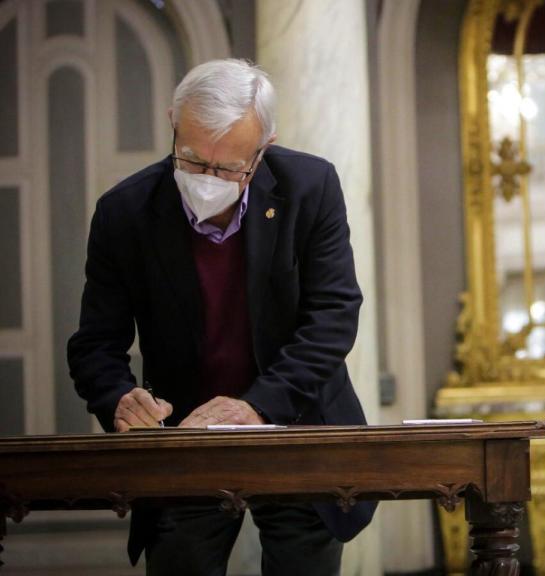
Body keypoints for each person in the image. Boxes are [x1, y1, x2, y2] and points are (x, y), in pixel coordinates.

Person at [67, 59, 375, 576]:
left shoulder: (310, 186)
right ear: (173, 123)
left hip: (296, 424)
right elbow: (95, 343)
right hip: (186, 435)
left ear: (265, 146)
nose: (207, 179)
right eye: (191, 160)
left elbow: (332, 316)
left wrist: (257, 406)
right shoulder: (125, 212)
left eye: (229, 167)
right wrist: (118, 398)